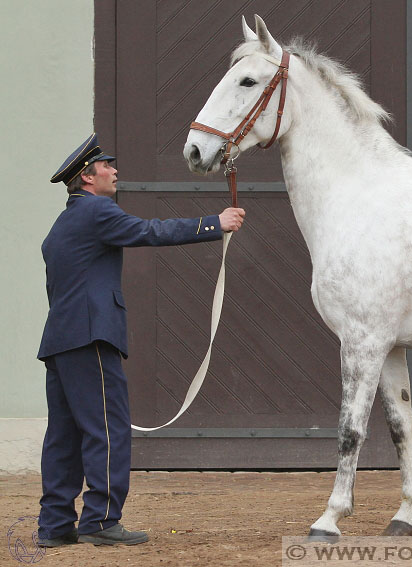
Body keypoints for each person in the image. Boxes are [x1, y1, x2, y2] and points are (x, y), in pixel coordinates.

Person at [36, 133, 245, 547]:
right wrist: (213, 223)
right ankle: (100, 521)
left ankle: (54, 526)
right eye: (107, 167)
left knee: (64, 436)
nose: (115, 171)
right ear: (87, 178)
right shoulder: (97, 210)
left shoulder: (63, 223)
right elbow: (149, 231)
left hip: (61, 340)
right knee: (107, 429)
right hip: (91, 336)